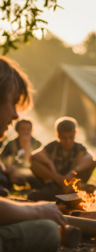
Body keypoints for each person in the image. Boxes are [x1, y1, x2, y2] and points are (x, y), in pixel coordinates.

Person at [0, 56, 64, 251]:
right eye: (13, 103)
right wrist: (36, 210)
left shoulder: (36, 143)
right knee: (47, 231)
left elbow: (35, 159)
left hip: (27, 179)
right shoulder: (10, 144)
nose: (15, 115)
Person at [28, 116, 96, 201]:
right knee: (35, 163)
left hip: (72, 183)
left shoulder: (79, 147)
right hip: (54, 182)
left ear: (75, 133)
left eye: (71, 137)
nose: (68, 141)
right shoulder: (53, 146)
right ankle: (63, 195)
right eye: (64, 138)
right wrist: (52, 168)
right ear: (58, 135)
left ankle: (70, 192)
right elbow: (34, 156)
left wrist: (73, 172)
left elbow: (90, 158)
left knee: (92, 163)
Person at [0, 119, 42, 188]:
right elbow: (2, 158)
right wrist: (8, 167)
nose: (25, 132)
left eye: (28, 129)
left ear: (32, 130)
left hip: (31, 172)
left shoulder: (37, 144)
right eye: (22, 129)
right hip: (13, 171)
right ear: (17, 130)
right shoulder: (11, 143)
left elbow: (38, 162)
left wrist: (26, 147)